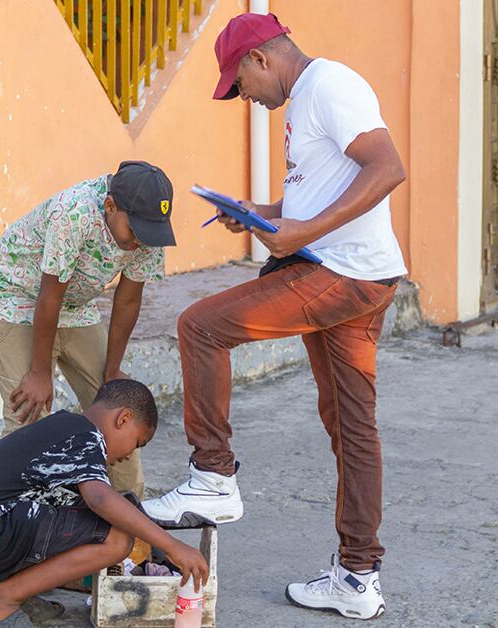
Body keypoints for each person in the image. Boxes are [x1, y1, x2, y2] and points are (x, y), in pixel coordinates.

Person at [142, 12, 407, 621]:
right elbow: (322, 188)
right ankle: (357, 578)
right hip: (353, 269)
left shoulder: (330, 85)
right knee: (352, 428)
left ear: (260, 58)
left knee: (200, 326)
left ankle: (213, 476)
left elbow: (387, 168)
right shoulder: (306, 99)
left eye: (239, 85)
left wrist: (304, 232)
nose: (244, 99)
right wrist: (262, 213)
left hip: (341, 272)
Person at [0, 379, 209, 625]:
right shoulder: (85, 437)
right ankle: (1, 599)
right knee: (116, 537)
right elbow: (99, 499)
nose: (128, 455)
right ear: (123, 419)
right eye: (137, 443)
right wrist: (172, 546)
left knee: (119, 507)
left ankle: (18, 593)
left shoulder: (65, 428)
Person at [0, 161, 176, 497]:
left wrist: (112, 370)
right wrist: (40, 373)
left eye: (150, 233)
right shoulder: (72, 213)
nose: (140, 242)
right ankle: (10, 514)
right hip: (17, 296)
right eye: (135, 231)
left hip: (75, 305)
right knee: (29, 416)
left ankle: (131, 520)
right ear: (110, 206)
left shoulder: (147, 230)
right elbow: (48, 297)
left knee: (120, 408)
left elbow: (128, 301)